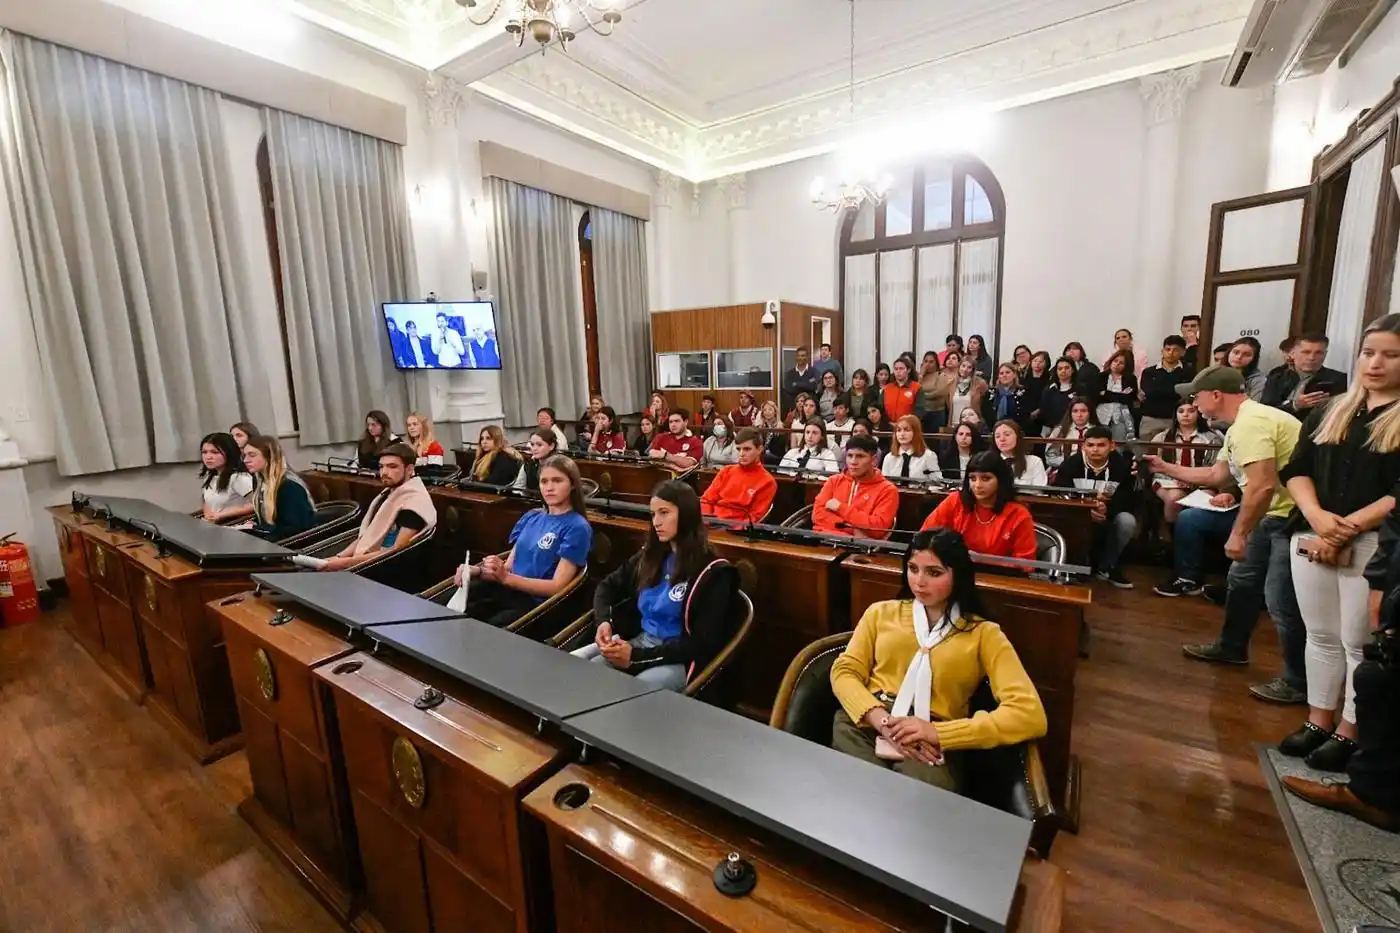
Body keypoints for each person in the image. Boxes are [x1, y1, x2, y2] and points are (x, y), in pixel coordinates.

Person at [828, 528, 1047, 791]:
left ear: (958, 575)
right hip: (867, 720)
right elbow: (844, 671)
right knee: (860, 793)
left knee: (915, 806)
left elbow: (1029, 715)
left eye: (934, 572)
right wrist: (881, 721)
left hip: (933, 737)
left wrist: (939, 734)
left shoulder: (984, 634)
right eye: (913, 568)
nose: (919, 582)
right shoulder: (880, 613)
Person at [1275, 314, 1400, 771]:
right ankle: (1318, 719)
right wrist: (1316, 516)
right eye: (1370, 353)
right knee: (1320, 635)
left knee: (1355, 641)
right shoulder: (1333, 408)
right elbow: (1296, 467)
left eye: (1391, 355)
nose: (1376, 363)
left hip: (1372, 542)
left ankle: (1350, 728)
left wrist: (1346, 526)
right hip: (1311, 529)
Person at [1145, 365, 1306, 704]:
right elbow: (1217, 474)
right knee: (1242, 583)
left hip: (1289, 517)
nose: (1194, 401)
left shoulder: (1253, 423)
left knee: (1281, 601)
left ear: (1216, 395)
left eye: (1196, 395)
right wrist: (1166, 467)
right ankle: (1231, 648)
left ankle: (1298, 681)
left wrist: (1239, 533)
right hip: (1271, 515)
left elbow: (1261, 487)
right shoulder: (1240, 426)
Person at [573, 481, 740, 691]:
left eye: (664, 513)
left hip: (680, 659)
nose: (656, 522)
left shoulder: (714, 571)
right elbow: (607, 587)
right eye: (653, 514)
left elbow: (701, 644)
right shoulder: (651, 556)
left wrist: (636, 657)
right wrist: (603, 622)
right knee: (586, 676)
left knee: (631, 693)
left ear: (687, 515)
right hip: (641, 642)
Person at [456, 455, 591, 628]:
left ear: (572, 484)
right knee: (458, 609)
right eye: (544, 481)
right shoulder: (532, 516)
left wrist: (506, 578)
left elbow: (557, 586)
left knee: (484, 627)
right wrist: (477, 571)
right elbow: (508, 567)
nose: (549, 488)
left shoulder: (577, 527)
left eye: (557, 481)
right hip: (510, 590)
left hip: (538, 605)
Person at [318, 443, 437, 571]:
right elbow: (368, 535)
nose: (384, 472)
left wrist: (343, 563)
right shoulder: (387, 494)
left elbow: (395, 552)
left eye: (392, 467)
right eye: (381, 467)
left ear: (409, 469)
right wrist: (339, 557)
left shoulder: (414, 503)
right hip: (366, 561)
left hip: (387, 570)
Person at [1054, 427, 1139, 587]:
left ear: (1112, 446)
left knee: (1127, 521)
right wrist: (1084, 510)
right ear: (1083, 446)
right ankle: (1074, 567)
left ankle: (1108, 567)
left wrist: (1108, 509)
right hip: (1076, 516)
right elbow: (1060, 494)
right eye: (1091, 445)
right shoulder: (1070, 464)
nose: (1095, 450)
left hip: (1109, 516)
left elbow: (1128, 499)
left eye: (1101, 445)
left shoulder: (1122, 466)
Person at [921, 452, 1037, 560]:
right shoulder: (955, 500)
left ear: (1001, 480)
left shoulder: (1019, 514)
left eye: (986, 478)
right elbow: (924, 537)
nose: (977, 485)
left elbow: (1026, 564)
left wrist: (983, 560)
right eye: (972, 478)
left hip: (998, 578)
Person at [1147, 400, 1225, 529]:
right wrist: (1176, 478)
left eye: (1191, 411)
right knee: (1174, 498)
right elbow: (1153, 467)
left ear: (1198, 414)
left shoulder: (1211, 438)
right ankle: (1172, 538)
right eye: (1181, 411)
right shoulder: (1162, 437)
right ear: (1175, 415)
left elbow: (1214, 468)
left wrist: (1191, 480)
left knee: (1207, 498)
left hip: (1202, 481)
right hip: (1168, 480)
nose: (1185, 415)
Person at [811, 435, 899, 539]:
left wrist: (841, 508)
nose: (853, 462)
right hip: (821, 541)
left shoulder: (888, 490)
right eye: (850, 455)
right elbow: (817, 516)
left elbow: (878, 529)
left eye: (860, 456)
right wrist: (853, 530)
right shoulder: (833, 481)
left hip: (860, 549)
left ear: (874, 460)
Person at [243, 435, 316, 541]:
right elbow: (268, 517)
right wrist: (254, 524)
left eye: (252, 455)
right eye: (244, 456)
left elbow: (296, 528)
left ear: (269, 457)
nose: (246, 460)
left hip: (292, 544)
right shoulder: (258, 480)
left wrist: (260, 534)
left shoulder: (289, 486)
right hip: (270, 538)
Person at [1262, 333, 1348, 418]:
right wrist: (1294, 405)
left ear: (1325, 354)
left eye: (1318, 353)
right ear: (1293, 354)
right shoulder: (1277, 378)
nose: (1311, 358)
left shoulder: (1339, 380)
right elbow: (1265, 412)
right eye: (1306, 352)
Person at [701, 428, 777, 522]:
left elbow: (755, 517)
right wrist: (707, 520)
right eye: (738, 449)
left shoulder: (768, 481)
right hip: (712, 524)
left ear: (760, 449)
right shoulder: (726, 471)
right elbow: (707, 500)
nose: (741, 454)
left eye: (747, 449)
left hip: (737, 531)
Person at [1139, 335, 1192, 441]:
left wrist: (1159, 390)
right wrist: (1176, 390)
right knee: (1146, 453)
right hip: (1151, 418)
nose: (1170, 353)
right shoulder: (1149, 372)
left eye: (1175, 350)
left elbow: (1186, 393)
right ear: (1162, 351)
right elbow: (1149, 392)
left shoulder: (1189, 372)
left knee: (1172, 453)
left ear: (1183, 352)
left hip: (1176, 419)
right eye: (1167, 349)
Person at [199, 432, 254, 524]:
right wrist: (208, 516)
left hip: (234, 525)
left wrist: (223, 514)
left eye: (215, 452)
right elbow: (207, 501)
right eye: (204, 452)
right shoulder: (210, 475)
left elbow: (257, 504)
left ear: (229, 453)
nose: (208, 457)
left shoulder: (239, 478)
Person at [1045, 398, 1100, 472]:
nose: (1079, 415)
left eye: (1083, 411)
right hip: (1064, 468)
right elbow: (1050, 458)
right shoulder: (1060, 431)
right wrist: (1070, 463)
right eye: (1075, 411)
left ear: (1090, 412)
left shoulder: (1099, 431)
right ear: (1070, 413)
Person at [1096, 349, 1138, 442]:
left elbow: (1128, 399)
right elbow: (1097, 397)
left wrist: (1106, 393)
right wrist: (1120, 396)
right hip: (1101, 417)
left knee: (1118, 445)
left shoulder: (1130, 379)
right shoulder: (1100, 377)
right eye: (1115, 361)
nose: (1117, 364)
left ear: (1126, 366)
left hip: (1121, 417)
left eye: (1121, 363)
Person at [882, 415, 941, 482]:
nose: (902, 434)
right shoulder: (889, 457)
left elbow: (938, 483)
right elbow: (884, 483)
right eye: (898, 430)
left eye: (907, 430)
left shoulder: (928, 456)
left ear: (916, 432)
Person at [992, 419, 1048, 487]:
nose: (1002, 439)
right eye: (997, 436)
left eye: (1007, 434)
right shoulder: (990, 462)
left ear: (1018, 436)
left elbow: (1039, 492)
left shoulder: (1035, 462)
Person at [914, 350, 957, 435]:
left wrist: (922, 396)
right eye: (926, 361)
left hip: (936, 413)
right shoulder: (919, 376)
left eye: (931, 362)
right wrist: (921, 376)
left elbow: (939, 392)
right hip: (922, 413)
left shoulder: (941, 375)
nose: (928, 364)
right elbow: (915, 390)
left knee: (935, 441)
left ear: (936, 363)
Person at [1038, 357, 1078, 437]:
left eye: (1067, 368)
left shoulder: (1080, 389)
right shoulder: (1049, 390)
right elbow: (1044, 412)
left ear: (1073, 370)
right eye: (1060, 369)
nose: (1063, 371)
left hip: (1074, 430)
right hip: (1052, 431)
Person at [948, 356, 989, 429]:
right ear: (959, 367)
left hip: (972, 425)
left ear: (973, 370)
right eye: (963, 366)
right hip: (954, 424)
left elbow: (986, 405)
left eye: (969, 367)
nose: (965, 369)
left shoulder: (980, 383)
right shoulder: (951, 383)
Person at [989, 364, 1029, 434]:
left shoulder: (1023, 392)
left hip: (1017, 431)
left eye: (1007, 372)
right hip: (995, 431)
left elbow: (1025, 415)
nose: (1004, 375)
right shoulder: (991, 392)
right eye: (1001, 373)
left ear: (1014, 375)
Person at [782, 347, 820, 415]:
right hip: (794, 409)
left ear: (807, 357)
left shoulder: (814, 371)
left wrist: (796, 384)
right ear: (796, 357)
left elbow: (813, 386)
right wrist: (807, 383)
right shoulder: (789, 373)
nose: (800, 358)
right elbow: (790, 389)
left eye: (803, 355)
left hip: (810, 409)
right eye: (798, 356)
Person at [883, 357, 919, 422]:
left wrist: (908, 423)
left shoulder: (917, 387)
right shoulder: (887, 388)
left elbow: (920, 410)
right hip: (888, 426)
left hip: (909, 426)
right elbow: (881, 409)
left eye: (901, 368)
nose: (898, 371)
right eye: (896, 369)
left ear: (908, 370)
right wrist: (888, 423)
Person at [756, 399, 787, 464]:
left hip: (776, 456)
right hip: (763, 455)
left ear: (775, 412)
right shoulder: (761, 427)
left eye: (770, 409)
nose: (767, 412)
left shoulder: (780, 426)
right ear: (762, 413)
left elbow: (779, 449)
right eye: (765, 410)